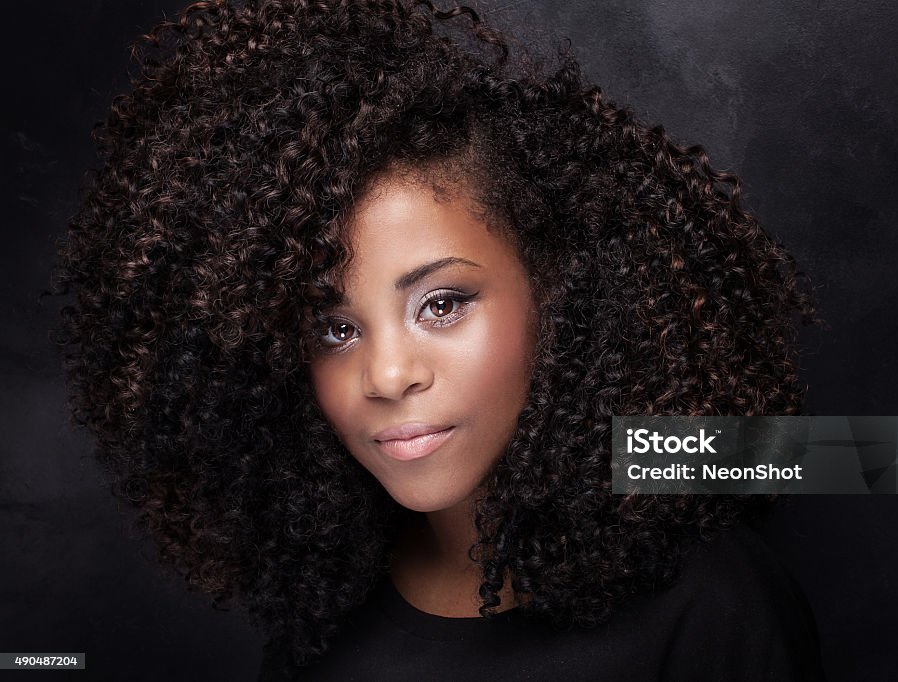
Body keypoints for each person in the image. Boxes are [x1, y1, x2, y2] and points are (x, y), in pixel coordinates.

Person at [56, 0, 823, 678]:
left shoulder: (710, 610)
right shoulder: (322, 634)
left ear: (558, 290)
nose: (387, 374)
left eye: (443, 303)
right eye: (335, 327)